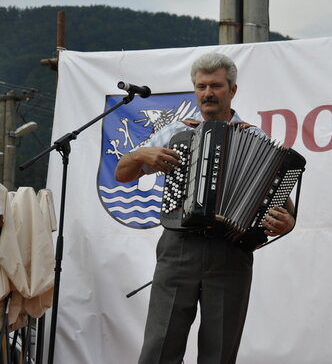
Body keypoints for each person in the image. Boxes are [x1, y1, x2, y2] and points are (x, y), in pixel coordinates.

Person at [115, 52, 296, 364]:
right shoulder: (174, 132)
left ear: (232, 90)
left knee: (220, 352)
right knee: (159, 348)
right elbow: (122, 173)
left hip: (231, 253)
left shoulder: (254, 136)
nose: (208, 93)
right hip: (178, 248)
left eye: (216, 86)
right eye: (201, 87)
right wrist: (141, 155)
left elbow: (282, 205)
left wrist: (286, 222)